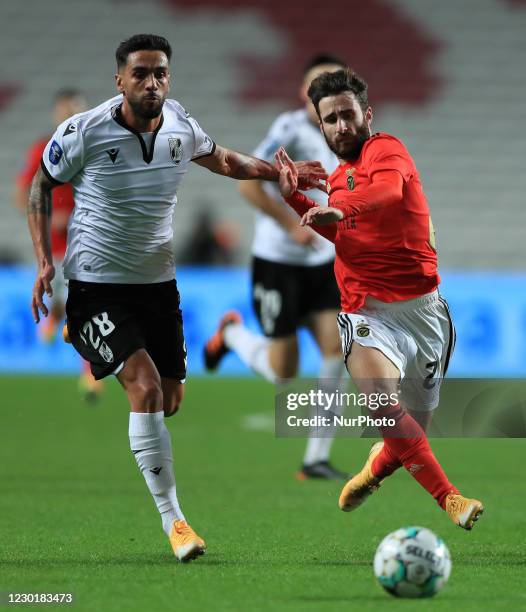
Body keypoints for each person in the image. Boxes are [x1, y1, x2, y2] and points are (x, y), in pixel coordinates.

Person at [27, 34, 327, 562]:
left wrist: (279, 173)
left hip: (157, 286)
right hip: (96, 286)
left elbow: (228, 162)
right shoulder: (84, 132)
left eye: (160, 73)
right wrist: (44, 262)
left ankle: (99, 343)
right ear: (119, 80)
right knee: (142, 389)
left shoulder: (181, 126)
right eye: (140, 73)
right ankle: (177, 523)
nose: (152, 82)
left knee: (169, 400)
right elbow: (39, 186)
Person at [274, 68, 484, 529]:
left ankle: (374, 469)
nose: (341, 126)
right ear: (321, 126)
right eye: (330, 119)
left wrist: (339, 207)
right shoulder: (337, 178)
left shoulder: (386, 150)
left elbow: (387, 193)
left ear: (366, 114)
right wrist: (296, 202)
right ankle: (450, 499)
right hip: (365, 310)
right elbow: (341, 234)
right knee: (384, 410)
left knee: (410, 436)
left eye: (347, 114)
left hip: (424, 311)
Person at [204, 55, 349, 480]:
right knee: (283, 371)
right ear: (303, 92)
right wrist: (291, 225)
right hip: (278, 264)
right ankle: (231, 335)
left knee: (336, 351)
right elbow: (249, 180)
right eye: (313, 84)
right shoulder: (290, 129)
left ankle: (315, 459)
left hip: (322, 262)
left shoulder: (344, 134)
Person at [14, 89, 102, 401]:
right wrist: (51, 219)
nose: (70, 116)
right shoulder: (44, 148)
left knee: (86, 308)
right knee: (70, 305)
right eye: (65, 111)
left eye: (76, 110)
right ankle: (53, 318)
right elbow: (23, 193)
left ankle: (89, 373)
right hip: (57, 249)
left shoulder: (95, 148)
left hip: (90, 244)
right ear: (56, 114)